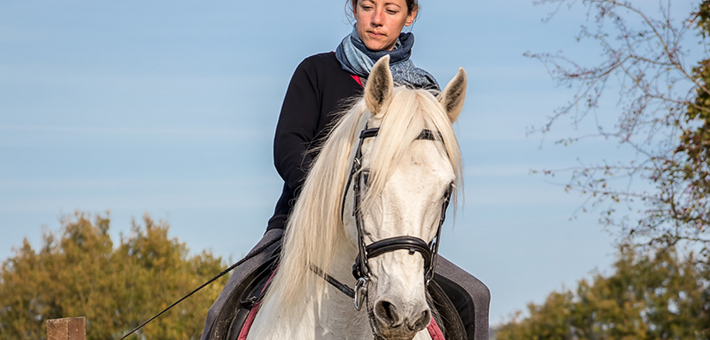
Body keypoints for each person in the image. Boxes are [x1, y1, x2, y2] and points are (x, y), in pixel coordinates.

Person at [200, 1, 490, 339]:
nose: (377, 19)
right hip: (302, 226)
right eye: (368, 6)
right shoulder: (317, 71)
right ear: (354, 9)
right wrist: (328, 201)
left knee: (475, 296)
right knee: (221, 308)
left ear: (410, 16)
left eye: (391, 10)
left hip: (392, 238)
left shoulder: (424, 93)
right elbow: (289, 145)